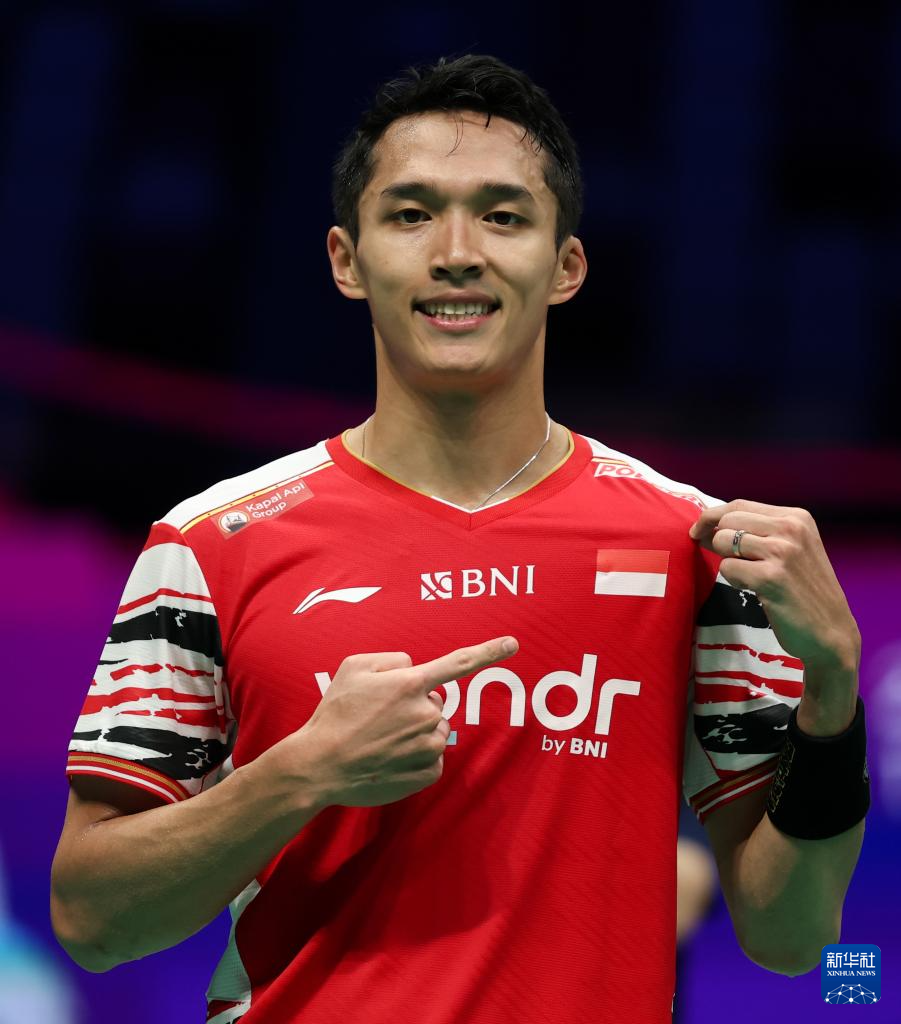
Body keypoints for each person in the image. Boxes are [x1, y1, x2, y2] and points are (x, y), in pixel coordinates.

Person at [50, 55, 868, 1024]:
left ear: (566, 266)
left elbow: (790, 936)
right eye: (410, 213)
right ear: (346, 260)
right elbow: (92, 919)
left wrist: (832, 688)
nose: (456, 253)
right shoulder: (208, 543)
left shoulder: (690, 543)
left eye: (503, 216)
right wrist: (301, 773)